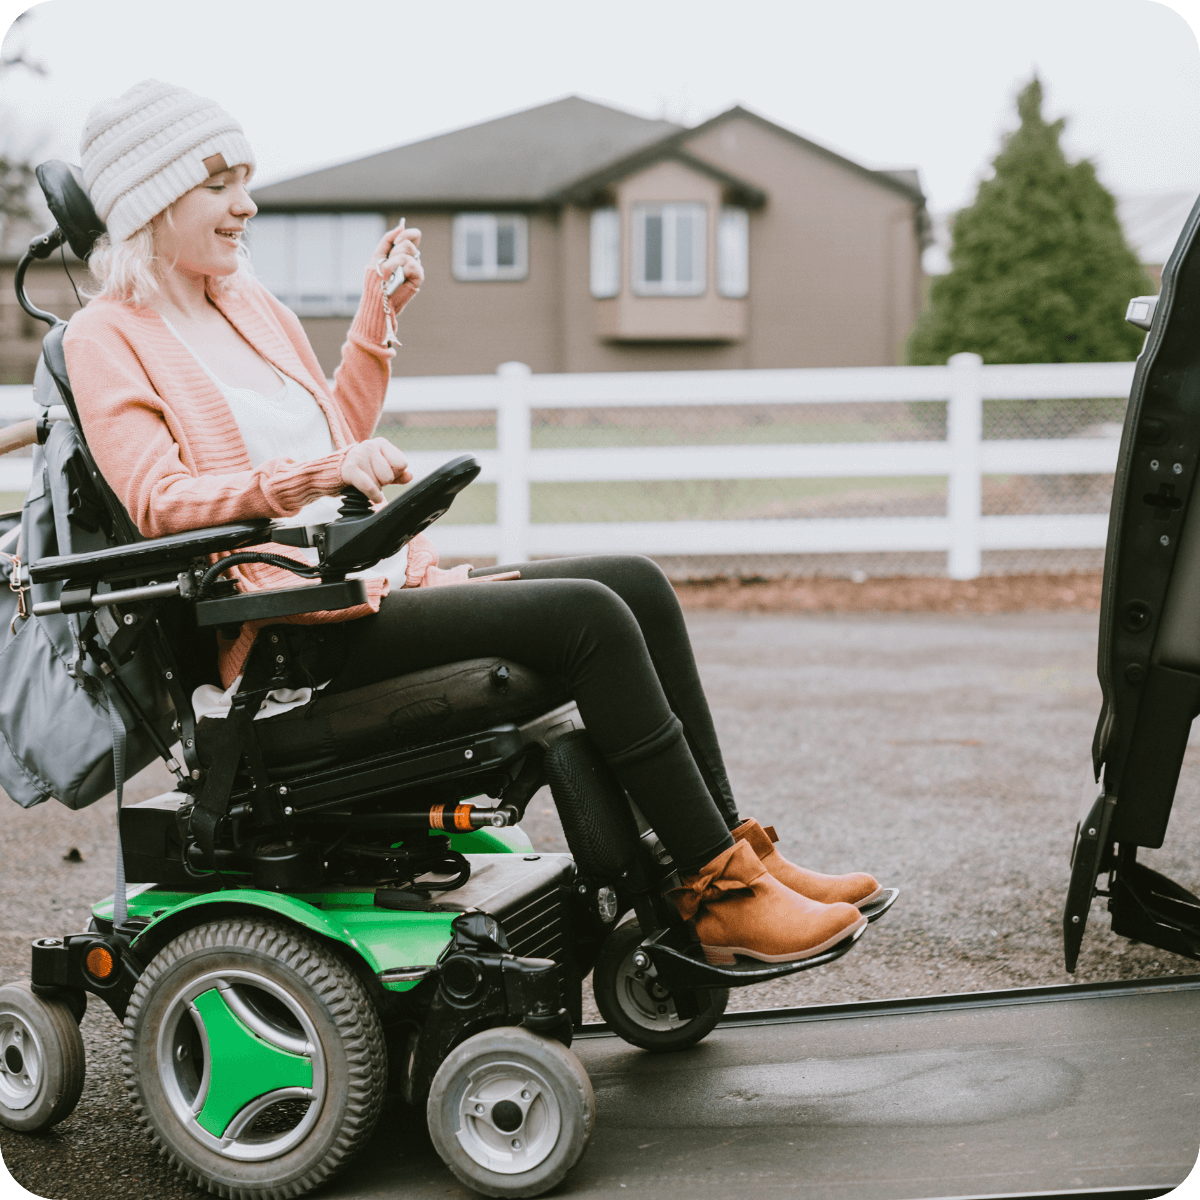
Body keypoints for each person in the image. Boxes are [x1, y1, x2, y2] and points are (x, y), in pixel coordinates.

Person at [64, 80, 881, 964]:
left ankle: (734, 855)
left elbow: (337, 434)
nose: (247, 203)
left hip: (367, 588)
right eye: (221, 183)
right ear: (151, 197)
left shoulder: (247, 304)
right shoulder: (105, 336)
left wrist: (375, 327)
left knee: (633, 580)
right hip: (288, 640)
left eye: (246, 179)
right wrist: (318, 474)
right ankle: (715, 892)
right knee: (587, 617)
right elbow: (160, 501)